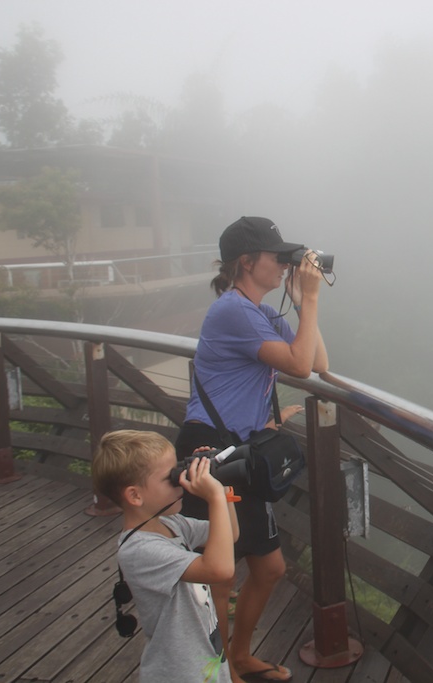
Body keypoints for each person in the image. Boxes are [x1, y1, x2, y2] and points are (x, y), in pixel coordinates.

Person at [175, 216, 329, 683]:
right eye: (277, 256)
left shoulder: (257, 311)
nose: (286, 264)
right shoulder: (234, 311)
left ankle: (238, 656)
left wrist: (304, 305)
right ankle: (218, 669)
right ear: (247, 262)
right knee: (219, 572)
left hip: (239, 450)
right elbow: (302, 367)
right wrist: (314, 299)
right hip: (211, 451)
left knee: (269, 567)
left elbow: (318, 362)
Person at [91, 429, 240, 683]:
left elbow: (231, 533)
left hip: (205, 663)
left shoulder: (172, 524)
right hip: (180, 672)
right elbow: (220, 570)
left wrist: (220, 483)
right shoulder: (140, 550)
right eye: (171, 476)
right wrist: (213, 496)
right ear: (135, 496)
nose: (181, 479)